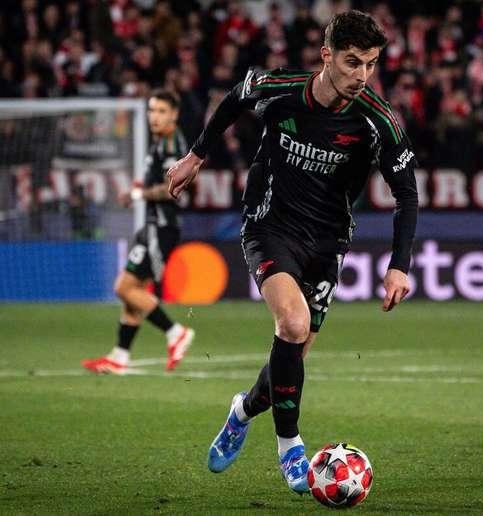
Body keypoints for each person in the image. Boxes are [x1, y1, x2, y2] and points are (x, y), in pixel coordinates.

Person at [167, 10, 418, 494]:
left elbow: (406, 194)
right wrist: (197, 155)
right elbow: (234, 99)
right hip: (269, 225)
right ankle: (291, 449)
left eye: (370, 64)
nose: (361, 75)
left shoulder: (378, 121)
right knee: (293, 324)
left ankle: (241, 411)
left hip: (328, 243)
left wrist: (399, 266)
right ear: (327, 56)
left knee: (292, 356)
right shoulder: (279, 87)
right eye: (351, 62)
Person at [82, 89, 194, 374]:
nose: (154, 116)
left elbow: (172, 190)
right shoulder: (161, 142)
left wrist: (139, 195)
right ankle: (120, 356)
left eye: (161, 111)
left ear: (174, 115)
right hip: (154, 226)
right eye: (152, 110)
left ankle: (175, 332)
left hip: (162, 227)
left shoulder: (171, 144)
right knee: (134, 290)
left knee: (123, 287)